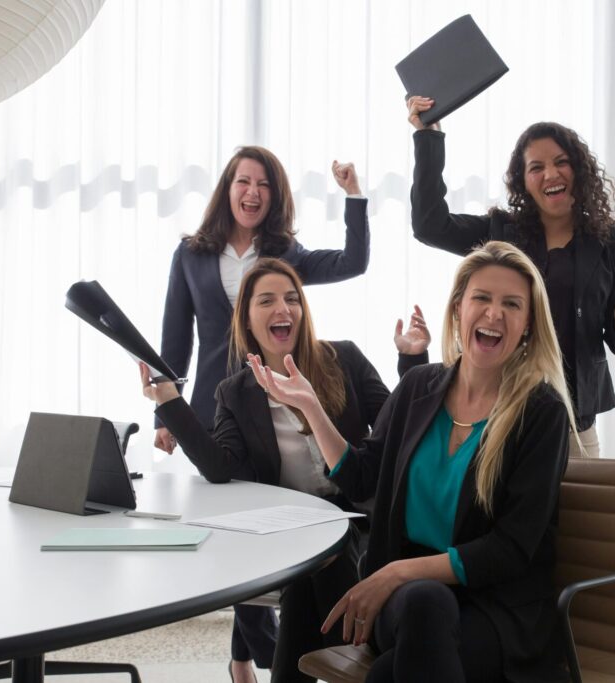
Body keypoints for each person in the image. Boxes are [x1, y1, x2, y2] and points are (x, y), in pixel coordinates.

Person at [249, 241, 576, 682]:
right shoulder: (420, 386)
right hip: (405, 603)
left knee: (391, 671)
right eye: (482, 298)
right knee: (424, 602)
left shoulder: (541, 411)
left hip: (496, 609)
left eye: (511, 304)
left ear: (528, 325)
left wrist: (397, 573)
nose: (494, 314)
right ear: (459, 308)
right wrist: (311, 407)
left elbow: (511, 550)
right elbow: (362, 478)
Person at [141, 259, 430, 683]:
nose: (284, 309)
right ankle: (357, 660)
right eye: (268, 300)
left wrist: (412, 359)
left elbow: (397, 428)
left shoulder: (342, 359)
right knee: (309, 570)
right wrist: (168, 402)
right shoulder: (235, 392)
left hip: (357, 516)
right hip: (294, 527)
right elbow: (221, 468)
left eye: (292, 298)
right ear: (248, 319)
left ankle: (356, 660)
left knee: (317, 567)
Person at [406, 97, 615, 458]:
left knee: (578, 516)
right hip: (499, 411)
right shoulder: (500, 233)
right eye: (536, 167)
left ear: (578, 171)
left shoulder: (613, 244)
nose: (550, 174)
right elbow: (430, 225)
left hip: (573, 421)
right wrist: (429, 137)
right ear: (523, 182)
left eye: (561, 163)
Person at [156, 145, 371, 454]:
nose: (253, 192)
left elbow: (353, 262)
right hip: (210, 406)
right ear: (227, 189)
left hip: (274, 407)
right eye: (244, 181)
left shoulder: (288, 254)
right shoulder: (190, 255)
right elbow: (175, 342)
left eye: (264, 185)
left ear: (275, 196)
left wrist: (353, 193)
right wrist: (165, 415)